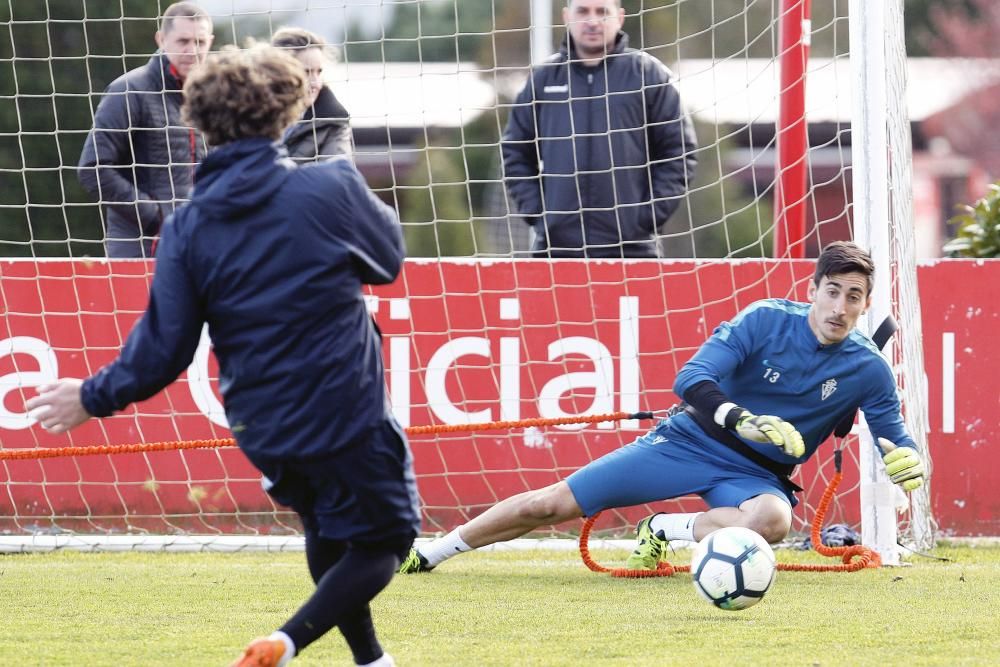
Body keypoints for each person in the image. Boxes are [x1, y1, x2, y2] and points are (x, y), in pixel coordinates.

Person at [29, 44, 418, 667]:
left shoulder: (188, 224)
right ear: (287, 114)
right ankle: (286, 642)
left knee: (325, 524)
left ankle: (371, 660)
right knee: (385, 542)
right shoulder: (330, 184)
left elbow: (162, 352)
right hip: (345, 405)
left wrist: (89, 396)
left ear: (199, 124)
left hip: (262, 423)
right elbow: (388, 262)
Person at [398, 241, 925, 574]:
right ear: (812, 290)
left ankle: (665, 530)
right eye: (832, 292)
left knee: (773, 520)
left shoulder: (868, 367)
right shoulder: (764, 319)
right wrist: (741, 418)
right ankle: (433, 551)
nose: (840, 307)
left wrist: (905, 457)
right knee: (549, 506)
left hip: (755, 475)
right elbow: (690, 379)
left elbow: (891, 432)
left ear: (865, 303)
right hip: (688, 441)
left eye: (853, 297)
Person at [502, 0, 698, 258]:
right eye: (583, 11)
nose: (592, 21)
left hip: (634, 250)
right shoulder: (543, 78)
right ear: (566, 16)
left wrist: (644, 218)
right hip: (556, 249)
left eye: (602, 12)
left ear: (620, 17)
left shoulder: (648, 75)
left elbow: (679, 152)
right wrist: (541, 216)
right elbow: (515, 152)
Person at [78, 2, 214, 258]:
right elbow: (93, 168)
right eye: (183, 41)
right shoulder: (128, 90)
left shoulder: (214, 97)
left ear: (211, 42)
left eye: (200, 42)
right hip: (140, 248)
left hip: (198, 245)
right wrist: (156, 217)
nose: (192, 51)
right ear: (161, 39)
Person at [271, 27, 353, 162]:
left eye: (318, 72)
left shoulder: (334, 122)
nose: (315, 82)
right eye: (306, 72)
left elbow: (336, 178)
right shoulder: (249, 116)